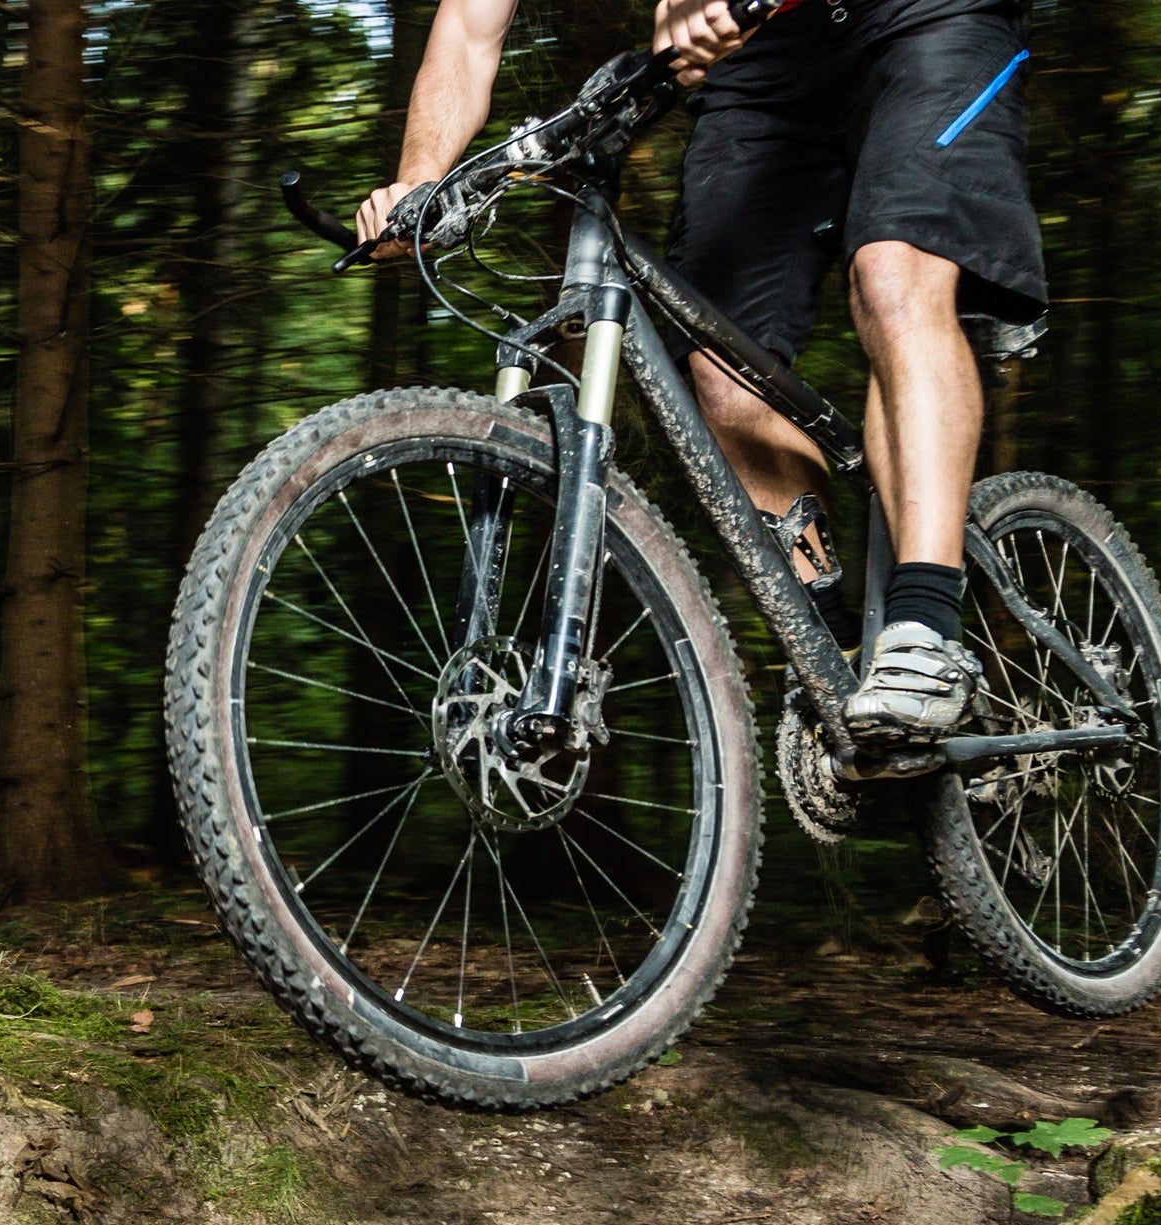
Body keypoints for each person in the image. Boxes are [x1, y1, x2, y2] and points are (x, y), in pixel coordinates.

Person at [357, 0, 1045, 739]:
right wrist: (419, 185)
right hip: (763, 60)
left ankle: (925, 628)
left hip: (928, 18)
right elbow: (467, 27)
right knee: (721, 368)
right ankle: (832, 646)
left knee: (893, 277)